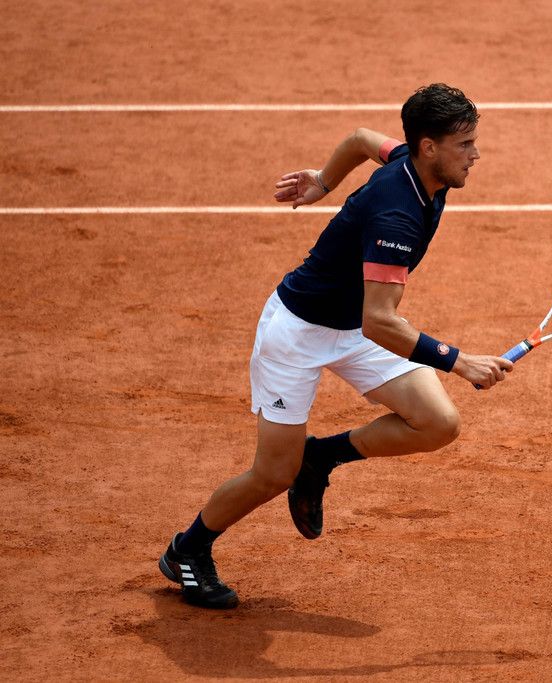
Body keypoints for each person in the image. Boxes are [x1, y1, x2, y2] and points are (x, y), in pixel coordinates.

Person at [159, 84, 513, 608]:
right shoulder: (397, 216)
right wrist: (458, 362)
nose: (475, 154)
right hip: (298, 335)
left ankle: (320, 457)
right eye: (464, 144)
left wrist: (323, 182)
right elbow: (380, 322)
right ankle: (187, 549)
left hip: (351, 327)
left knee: (438, 423)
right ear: (429, 147)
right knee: (271, 474)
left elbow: (361, 138)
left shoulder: (412, 163)